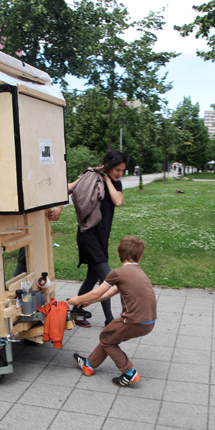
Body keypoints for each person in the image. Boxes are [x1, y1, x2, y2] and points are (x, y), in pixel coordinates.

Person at [68, 235, 156, 387]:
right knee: (110, 335)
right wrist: (90, 301)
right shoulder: (138, 272)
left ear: (118, 254)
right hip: (148, 321)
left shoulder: (117, 273)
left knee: (106, 338)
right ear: (140, 257)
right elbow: (109, 292)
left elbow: (97, 292)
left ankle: (129, 372)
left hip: (133, 320)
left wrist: (77, 300)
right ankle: (89, 364)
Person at [68, 150, 126, 327]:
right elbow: (70, 188)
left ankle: (75, 312)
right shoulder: (91, 177)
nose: (120, 173)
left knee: (92, 279)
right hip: (88, 235)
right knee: (107, 277)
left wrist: (108, 179)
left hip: (101, 238)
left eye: (122, 170)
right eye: (117, 169)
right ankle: (109, 320)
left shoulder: (116, 184)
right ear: (108, 166)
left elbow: (118, 201)